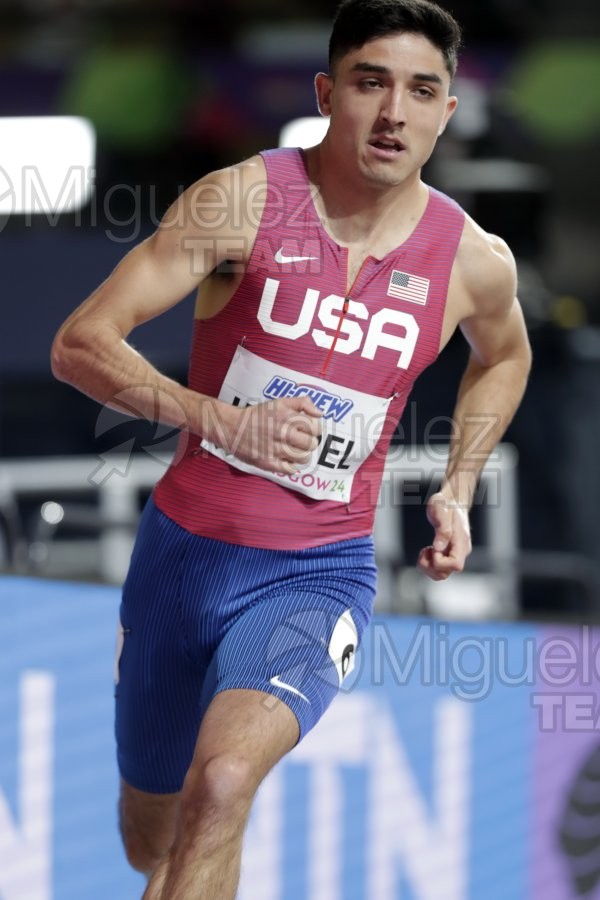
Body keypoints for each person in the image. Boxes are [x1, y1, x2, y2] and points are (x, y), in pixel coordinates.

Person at [51, 0, 532, 896]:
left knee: (226, 782)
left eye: (421, 90)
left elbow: (506, 356)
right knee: (148, 840)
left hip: (319, 573)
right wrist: (218, 419)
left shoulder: (473, 260)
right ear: (327, 92)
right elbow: (80, 343)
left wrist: (459, 486)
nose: (394, 112)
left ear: (449, 112)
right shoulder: (244, 200)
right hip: (182, 560)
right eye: (370, 83)